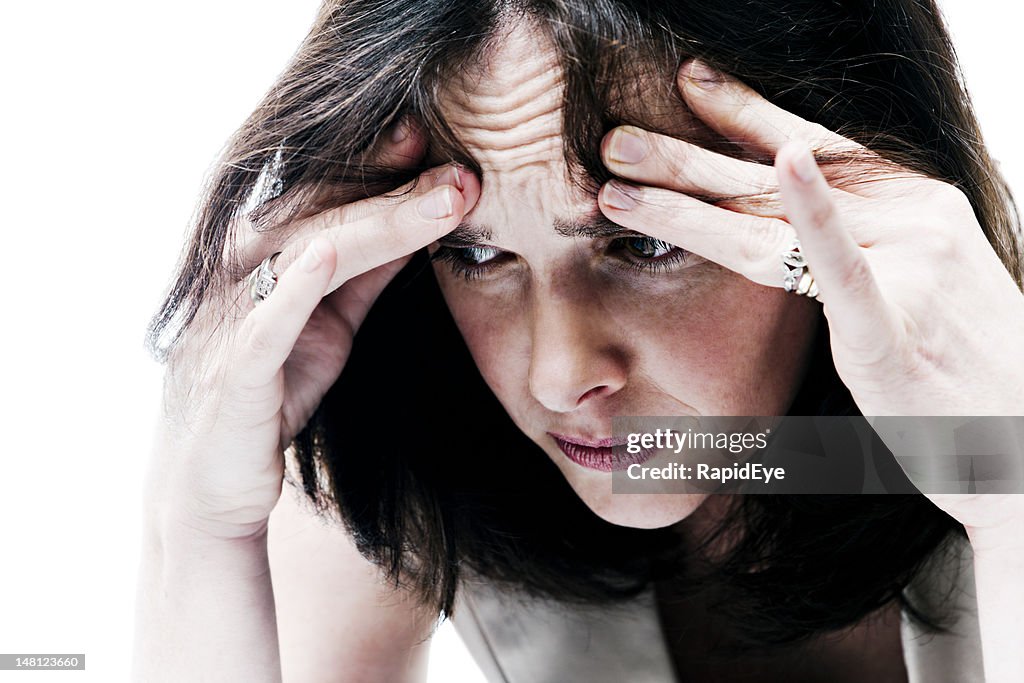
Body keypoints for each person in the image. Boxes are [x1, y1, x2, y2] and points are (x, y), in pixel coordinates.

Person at [131, 1, 1024, 681]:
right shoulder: (421, 449)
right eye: (477, 254)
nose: (559, 375)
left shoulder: (983, 412)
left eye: (645, 244)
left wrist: (1012, 481)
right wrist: (201, 525)